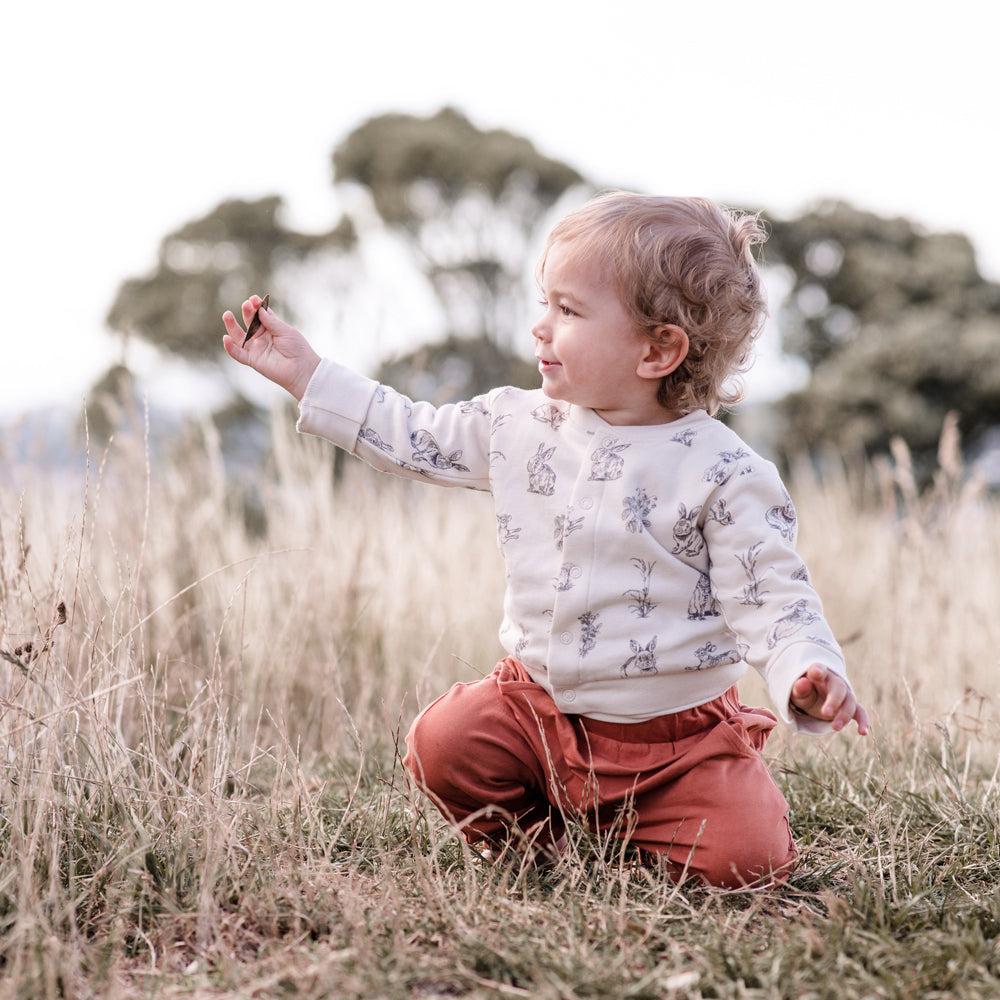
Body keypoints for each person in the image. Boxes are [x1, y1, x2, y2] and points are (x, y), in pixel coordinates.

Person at [222, 192, 869, 888]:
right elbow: (411, 435)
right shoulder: (515, 424)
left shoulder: (725, 472)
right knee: (444, 743)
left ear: (658, 348)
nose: (539, 328)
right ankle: (543, 844)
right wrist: (308, 375)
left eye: (568, 311)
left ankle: (655, 826)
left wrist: (806, 670)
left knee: (748, 861)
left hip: (675, 742)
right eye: (544, 303)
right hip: (535, 710)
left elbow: (774, 597)